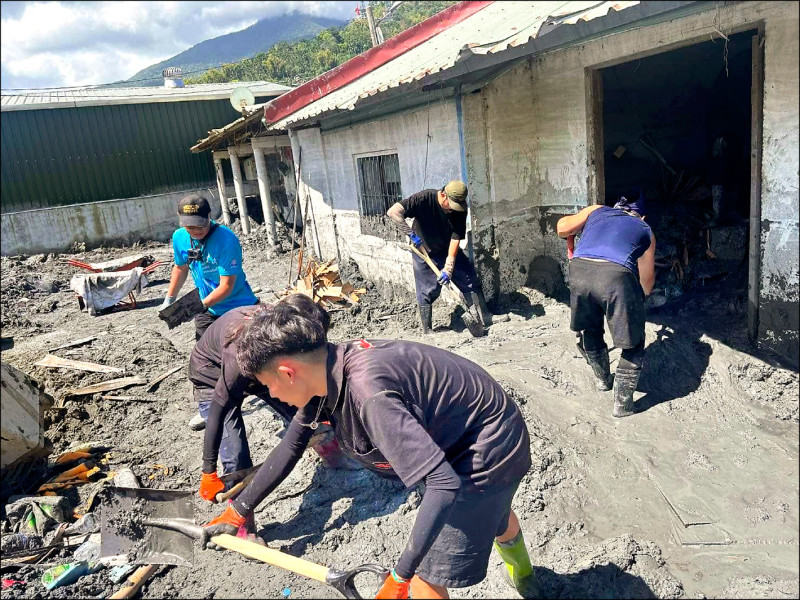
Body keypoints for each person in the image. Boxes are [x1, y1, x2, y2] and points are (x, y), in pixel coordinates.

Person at [203, 294, 540, 599]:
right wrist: (239, 511)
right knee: (495, 514)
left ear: (288, 372)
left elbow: (443, 484)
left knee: (425, 578)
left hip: (487, 448)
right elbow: (291, 446)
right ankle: (525, 577)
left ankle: (523, 578)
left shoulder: (369, 395)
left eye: (268, 385)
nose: (272, 395)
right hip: (475, 428)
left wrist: (401, 575)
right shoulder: (325, 368)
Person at [191, 303, 349, 535]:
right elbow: (219, 408)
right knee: (236, 456)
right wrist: (208, 471)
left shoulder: (283, 333)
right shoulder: (240, 350)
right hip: (212, 378)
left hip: (262, 367)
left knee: (309, 411)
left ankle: (335, 457)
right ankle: (241, 529)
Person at [160, 193, 259, 430]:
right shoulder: (180, 237)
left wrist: (198, 306)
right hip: (207, 308)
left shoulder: (226, 240)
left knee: (249, 358)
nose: (195, 231)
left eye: (200, 225)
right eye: (189, 227)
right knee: (204, 362)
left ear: (209, 217)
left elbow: (227, 286)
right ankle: (209, 409)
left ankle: (275, 397)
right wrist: (169, 299)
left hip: (238, 308)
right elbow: (180, 267)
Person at [556, 190, 656, 417]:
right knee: (633, 342)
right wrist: (636, 304)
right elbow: (647, 282)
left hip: (579, 270)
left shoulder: (597, 210)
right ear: (642, 216)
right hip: (615, 275)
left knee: (591, 328)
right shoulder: (645, 229)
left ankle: (603, 380)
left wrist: (578, 225)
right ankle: (622, 406)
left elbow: (562, 228)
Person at [387, 180, 492, 334]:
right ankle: (428, 329)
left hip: (447, 248)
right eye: (451, 205)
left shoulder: (460, 208)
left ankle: (485, 316)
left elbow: (456, 237)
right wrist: (411, 234)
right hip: (423, 250)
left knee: (469, 279)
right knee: (427, 289)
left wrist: (449, 267)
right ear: (443, 195)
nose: (452, 209)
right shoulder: (424, 199)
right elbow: (393, 212)